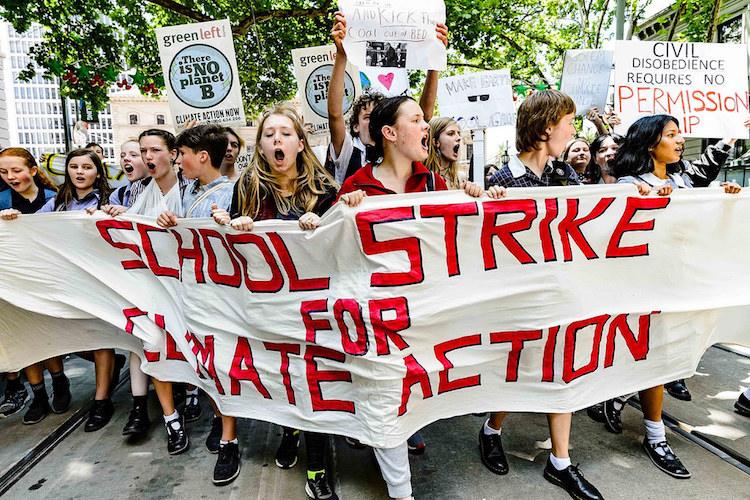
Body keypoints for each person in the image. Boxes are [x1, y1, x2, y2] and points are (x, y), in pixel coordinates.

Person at [338, 95, 505, 500]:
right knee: (384, 399)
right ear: (390, 134)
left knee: (406, 398)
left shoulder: (433, 183)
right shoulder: (357, 185)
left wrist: (478, 200)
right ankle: (401, 493)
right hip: (378, 318)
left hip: (423, 314)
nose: (425, 126)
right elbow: (335, 256)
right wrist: (341, 211)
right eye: (416, 120)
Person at [211, 103, 339, 499]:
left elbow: (343, 245)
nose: (277, 140)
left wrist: (328, 223)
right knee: (283, 380)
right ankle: (289, 429)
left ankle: (318, 469)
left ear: (300, 143)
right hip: (266, 305)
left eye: (285, 133)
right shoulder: (246, 187)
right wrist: (234, 224)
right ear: (261, 146)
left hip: (315, 306)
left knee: (314, 384)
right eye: (269, 135)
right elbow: (233, 245)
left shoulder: (326, 189)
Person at [485, 90, 603, 500]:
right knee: (516, 365)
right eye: (569, 122)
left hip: (559, 292)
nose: (574, 130)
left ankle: (560, 461)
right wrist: (486, 202)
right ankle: (492, 428)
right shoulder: (500, 181)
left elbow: (599, 209)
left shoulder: (563, 176)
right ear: (547, 126)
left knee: (561, 367)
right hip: (517, 296)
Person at [610, 114, 740, 479]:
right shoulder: (628, 184)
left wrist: (722, 198)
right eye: (671, 135)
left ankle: (617, 398)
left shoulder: (682, 181)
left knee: (666, 356)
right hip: (647, 288)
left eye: (680, 135)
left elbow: (704, 182)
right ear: (651, 143)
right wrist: (649, 205)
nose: (680, 141)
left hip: (682, 284)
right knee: (658, 358)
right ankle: (655, 435)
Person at [95, 129, 191, 451]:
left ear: (173, 154)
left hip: (184, 289)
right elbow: (134, 227)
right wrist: (119, 217)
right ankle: (170, 417)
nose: (148, 157)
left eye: (155, 150)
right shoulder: (141, 193)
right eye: (143, 150)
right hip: (150, 288)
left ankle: (193, 395)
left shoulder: (190, 191)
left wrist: (180, 223)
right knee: (150, 342)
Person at [156, 124, 238, 486]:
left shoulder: (233, 193)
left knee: (221, 364)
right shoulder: (185, 189)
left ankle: (229, 438)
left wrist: (230, 225)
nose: (178, 162)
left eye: (183, 155)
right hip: (184, 293)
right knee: (201, 363)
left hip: (218, 296)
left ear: (203, 157)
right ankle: (219, 420)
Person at [34, 149, 120, 431]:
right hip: (62, 281)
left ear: (98, 172)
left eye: (87, 166)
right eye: (74, 166)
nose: (79, 172)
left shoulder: (109, 201)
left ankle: (101, 400)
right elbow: (32, 227)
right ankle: (65, 380)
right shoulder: (56, 202)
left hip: (95, 281)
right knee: (61, 336)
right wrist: (11, 219)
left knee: (99, 338)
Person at [327, 11, 447, 184]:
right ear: (355, 127)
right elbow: (335, 114)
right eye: (368, 117)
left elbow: (424, 114)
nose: (375, 121)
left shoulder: (403, 153)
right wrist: (341, 55)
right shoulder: (349, 153)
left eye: (380, 116)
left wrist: (434, 61)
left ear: (389, 130)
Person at [0, 148, 63, 419]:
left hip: (47, 280)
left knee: (47, 336)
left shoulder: (55, 199)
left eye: (16, 170)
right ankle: (38, 395)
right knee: (25, 338)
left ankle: (60, 383)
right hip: (13, 283)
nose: (11, 177)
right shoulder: (1, 200)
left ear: (33, 171)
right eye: (3, 172)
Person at [424, 116, 464, 189]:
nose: (458, 138)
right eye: (451, 133)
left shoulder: (460, 179)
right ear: (436, 142)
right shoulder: (423, 179)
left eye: (458, 133)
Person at [109, 140, 149, 207]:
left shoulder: (164, 190)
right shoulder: (117, 195)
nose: (125, 158)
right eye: (122, 156)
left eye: (133, 155)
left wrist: (127, 212)